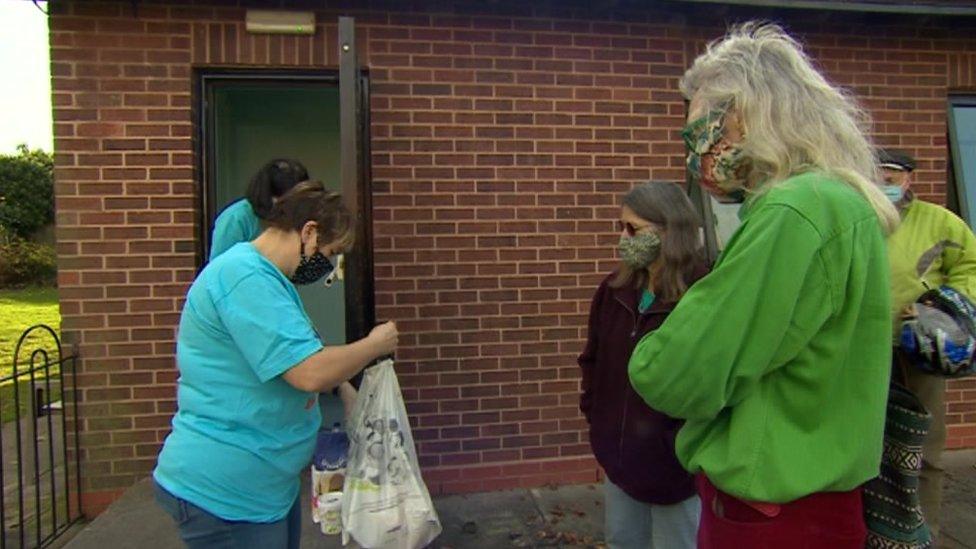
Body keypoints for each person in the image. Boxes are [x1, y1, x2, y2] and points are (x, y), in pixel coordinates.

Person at [627, 23, 900, 548]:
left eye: (699, 132)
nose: (695, 155)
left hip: (770, 514)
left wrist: (650, 350)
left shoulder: (795, 209)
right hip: (819, 499)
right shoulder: (843, 200)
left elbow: (677, 371)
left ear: (747, 114)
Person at [153, 181, 398, 549]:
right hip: (228, 492)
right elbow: (307, 371)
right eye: (329, 253)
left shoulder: (267, 279)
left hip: (264, 487)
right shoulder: (243, 277)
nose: (327, 266)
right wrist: (373, 346)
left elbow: (285, 354)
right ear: (309, 232)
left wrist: (343, 387)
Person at [579, 181, 707, 549]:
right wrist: (597, 417)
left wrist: (682, 444)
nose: (623, 237)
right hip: (620, 458)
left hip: (676, 469)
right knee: (623, 541)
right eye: (621, 226)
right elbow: (593, 358)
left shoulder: (703, 294)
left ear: (669, 230)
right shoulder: (614, 291)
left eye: (633, 228)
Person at [882, 147, 976, 539]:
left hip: (918, 352)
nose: (882, 183)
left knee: (924, 453)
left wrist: (940, 307)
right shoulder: (859, 219)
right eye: (875, 175)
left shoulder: (940, 222)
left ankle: (927, 533)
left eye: (890, 176)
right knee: (869, 449)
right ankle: (877, 531)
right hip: (862, 352)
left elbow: (970, 267)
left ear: (908, 178)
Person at [209, 158, 309, 261]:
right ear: (269, 196)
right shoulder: (235, 218)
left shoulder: (297, 217)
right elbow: (221, 265)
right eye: (290, 201)